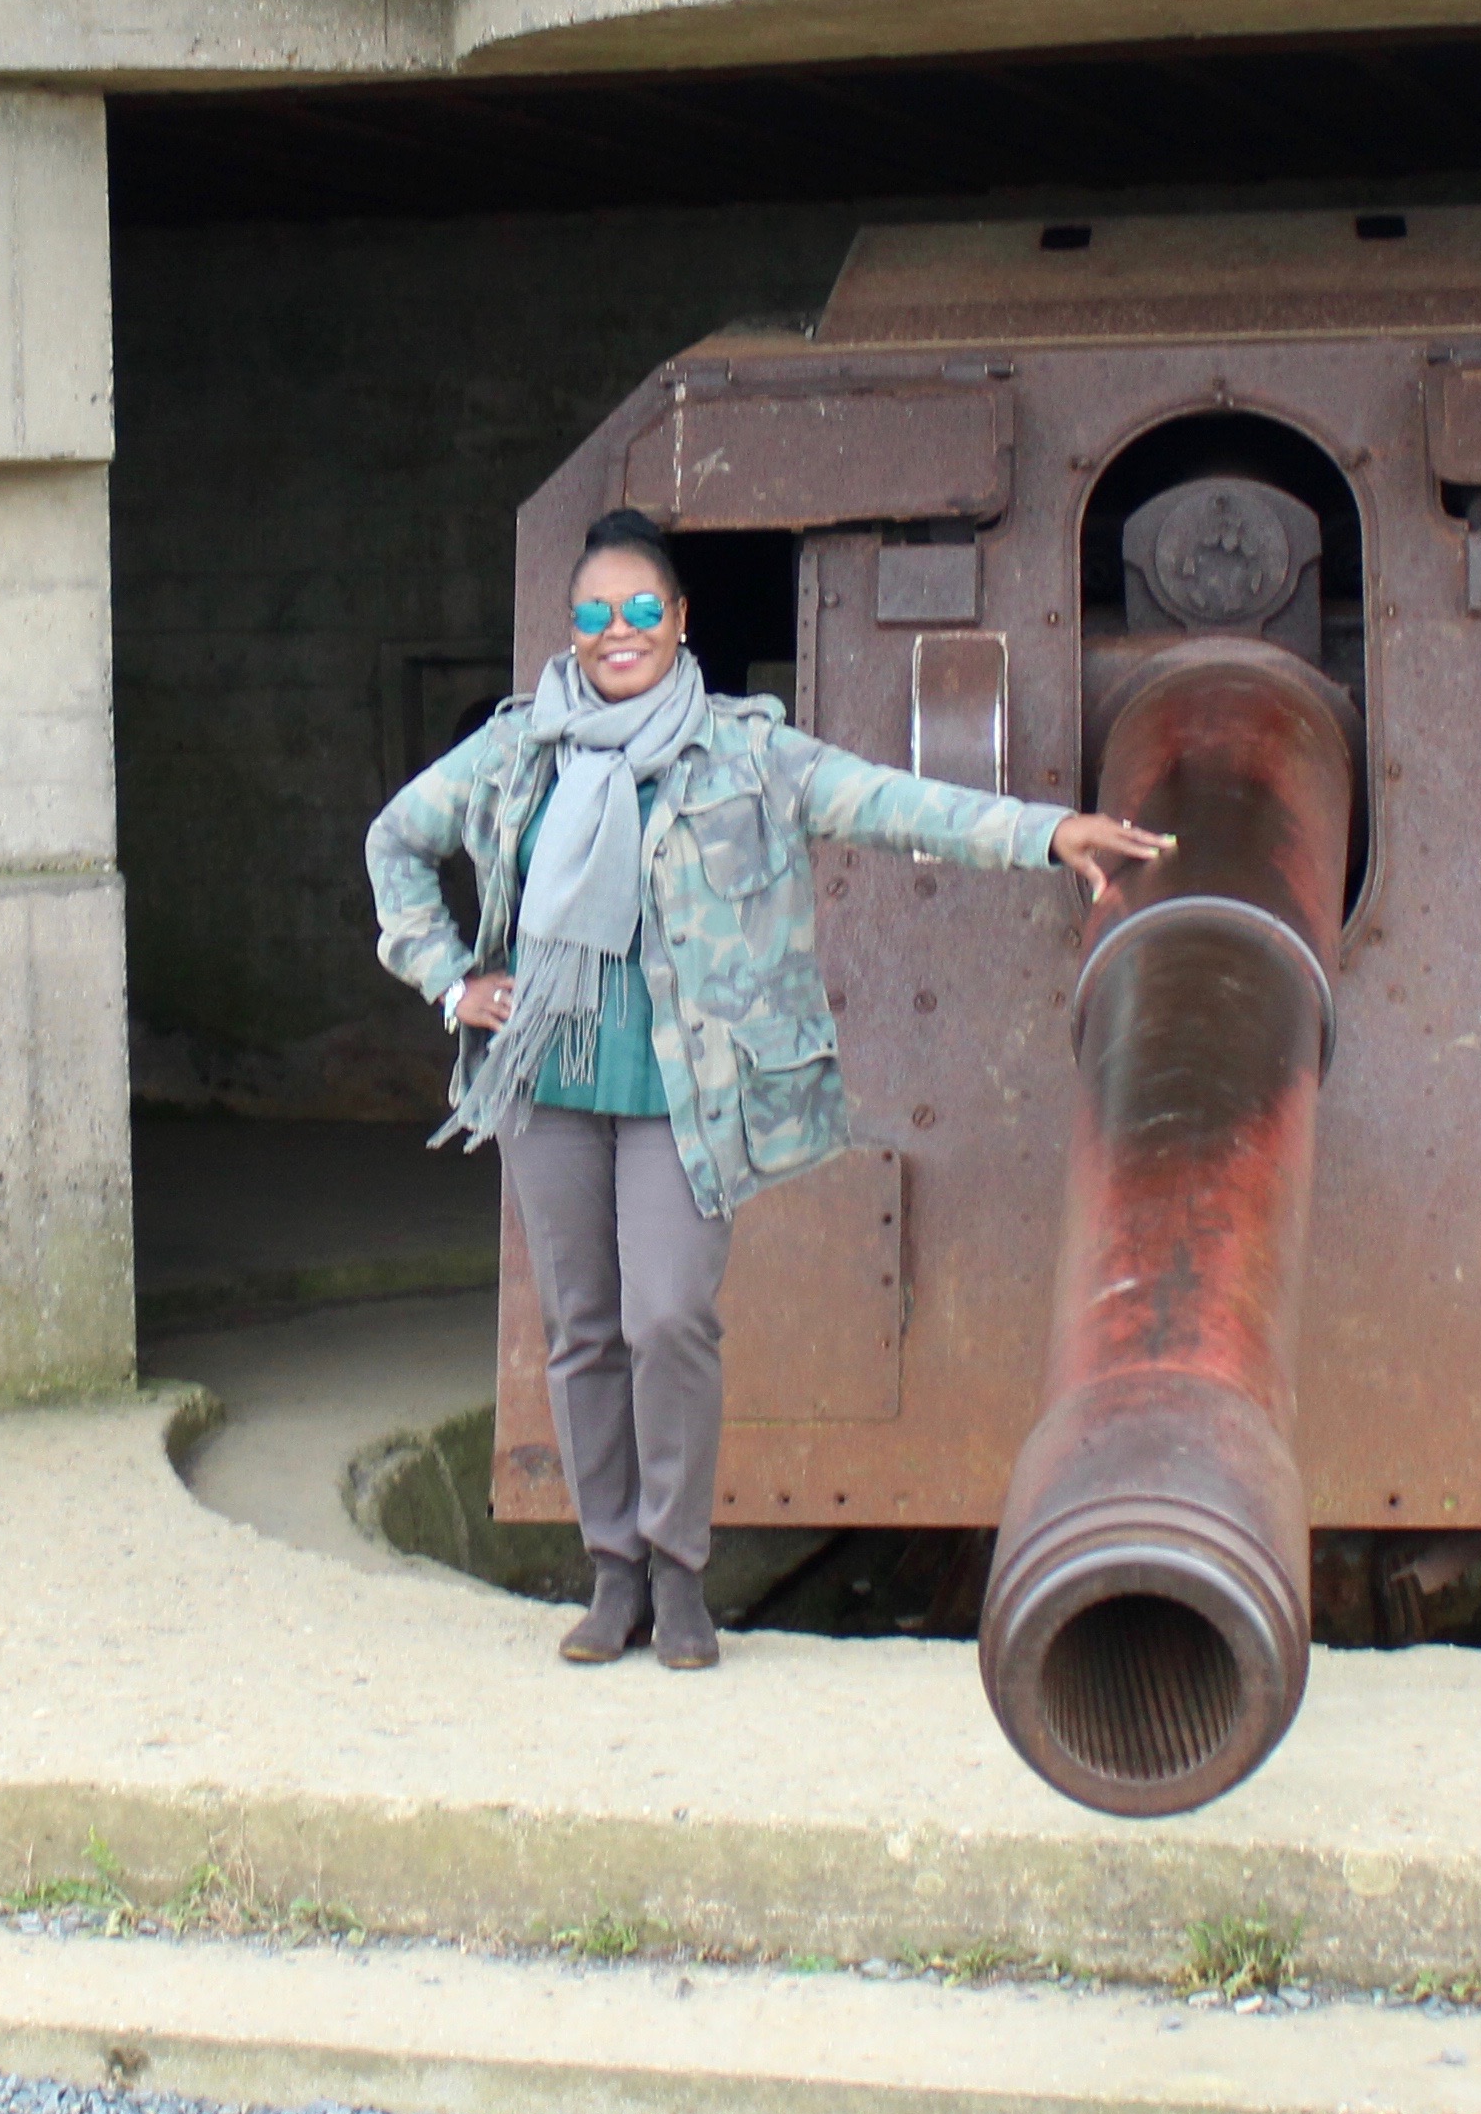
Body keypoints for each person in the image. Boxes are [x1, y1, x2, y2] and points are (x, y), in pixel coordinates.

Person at [366, 507, 1167, 1670]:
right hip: (546, 1079)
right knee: (583, 1331)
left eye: (643, 608)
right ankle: (613, 1576)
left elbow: (899, 805)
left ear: (681, 621)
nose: (619, 630)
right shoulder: (516, 752)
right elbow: (394, 842)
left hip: (687, 1092)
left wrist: (1051, 835)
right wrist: (452, 983)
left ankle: (680, 1574)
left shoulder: (747, 752)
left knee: (669, 1320)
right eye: (595, 613)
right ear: (573, 629)